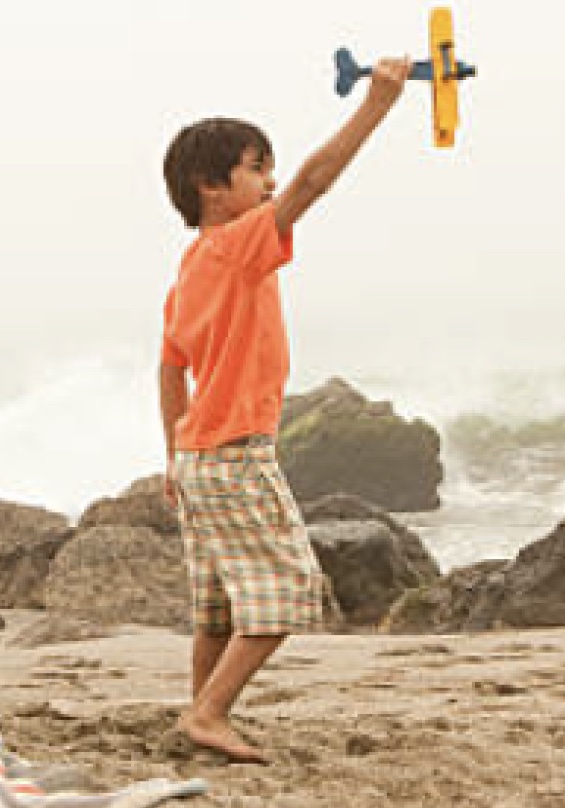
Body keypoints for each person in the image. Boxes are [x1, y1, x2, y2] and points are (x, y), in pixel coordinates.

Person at [157, 58, 409, 763]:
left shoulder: (190, 267)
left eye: (269, 169)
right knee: (287, 593)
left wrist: (172, 454)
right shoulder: (238, 247)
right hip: (236, 453)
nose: (270, 182)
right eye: (255, 169)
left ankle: (200, 713)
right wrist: (377, 104)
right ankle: (209, 714)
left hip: (200, 457)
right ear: (212, 187)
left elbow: (169, 366)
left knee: (219, 605)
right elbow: (313, 184)